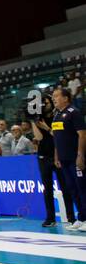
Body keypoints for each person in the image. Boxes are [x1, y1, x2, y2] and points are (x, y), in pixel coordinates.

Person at [50, 85, 86, 232]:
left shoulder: (74, 113)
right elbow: (57, 138)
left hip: (74, 158)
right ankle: (81, 218)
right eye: (53, 96)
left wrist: (80, 155)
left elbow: (83, 135)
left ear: (66, 98)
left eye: (57, 96)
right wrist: (56, 156)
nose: (53, 99)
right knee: (72, 189)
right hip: (63, 159)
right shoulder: (57, 115)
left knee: (82, 188)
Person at [29, 106, 65, 227]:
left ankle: (71, 217)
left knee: (66, 188)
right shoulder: (39, 120)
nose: (46, 105)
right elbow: (39, 137)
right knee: (47, 189)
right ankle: (50, 218)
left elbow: (59, 137)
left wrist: (46, 127)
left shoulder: (57, 118)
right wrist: (33, 121)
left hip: (58, 157)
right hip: (43, 157)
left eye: (47, 102)